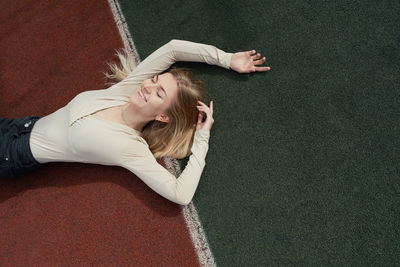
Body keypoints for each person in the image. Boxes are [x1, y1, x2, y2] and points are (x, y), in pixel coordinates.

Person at [0, 39, 270, 205]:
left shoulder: (128, 147)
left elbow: (180, 194)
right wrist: (226, 59)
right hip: (20, 125)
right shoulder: (124, 91)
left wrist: (201, 139)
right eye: (153, 80)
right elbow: (174, 49)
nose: (148, 87)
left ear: (163, 116)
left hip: (12, 155)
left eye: (159, 93)